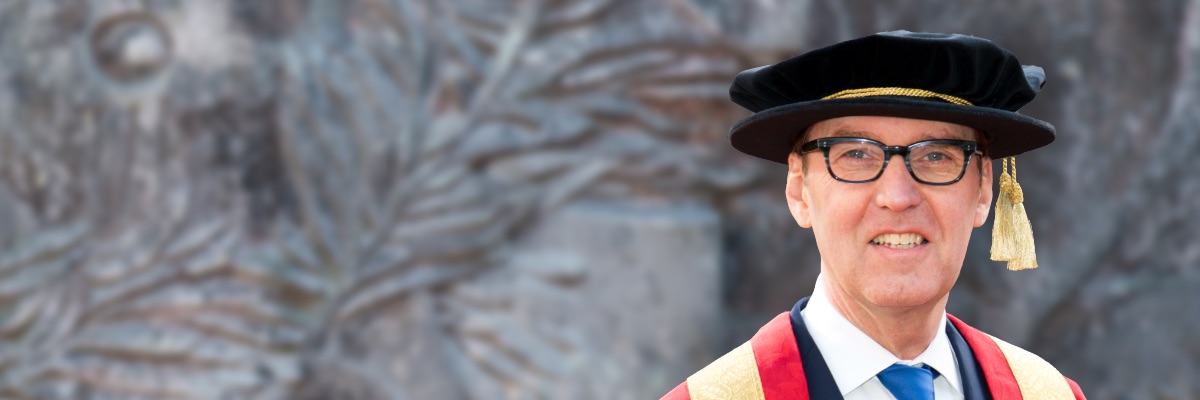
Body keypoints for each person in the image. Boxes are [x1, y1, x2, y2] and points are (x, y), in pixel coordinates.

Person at [662, 31, 1086, 399]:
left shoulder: (1046, 394)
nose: (898, 197)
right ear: (799, 189)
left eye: (936, 155)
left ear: (982, 190)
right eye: (857, 155)